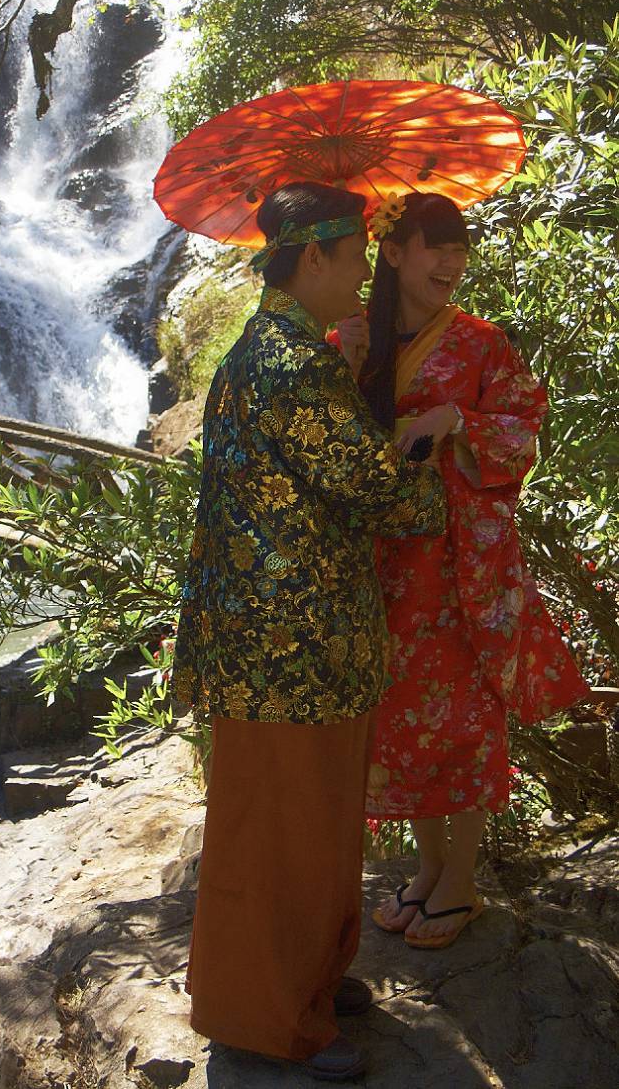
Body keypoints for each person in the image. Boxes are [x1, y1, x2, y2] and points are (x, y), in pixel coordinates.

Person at [172, 181, 447, 1081]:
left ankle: (311, 984)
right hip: (285, 648)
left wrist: (363, 386)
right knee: (283, 836)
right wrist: (424, 447)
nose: (364, 273)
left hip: (290, 641)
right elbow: (371, 489)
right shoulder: (290, 364)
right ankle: (268, 1021)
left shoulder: (274, 352)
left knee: (311, 826)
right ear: (315, 257)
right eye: (357, 256)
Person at [329, 192, 589, 950]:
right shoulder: (351, 338)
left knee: (465, 714)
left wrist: (456, 422)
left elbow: (524, 431)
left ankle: (463, 881)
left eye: (460, 248)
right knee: (399, 716)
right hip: (383, 562)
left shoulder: (482, 344)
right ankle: (431, 867)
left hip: (460, 567)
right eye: (437, 246)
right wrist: (342, 366)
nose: (453, 262)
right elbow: (326, 443)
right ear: (393, 252)